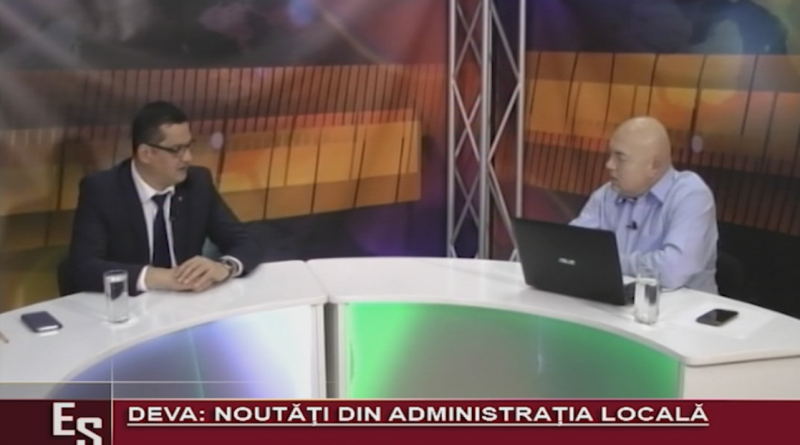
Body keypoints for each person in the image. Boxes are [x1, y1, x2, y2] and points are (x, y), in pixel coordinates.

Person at [65, 101, 260, 295]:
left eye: (189, 146)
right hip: (130, 304)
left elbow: (244, 242)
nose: (188, 158)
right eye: (177, 149)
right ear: (146, 154)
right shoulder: (103, 190)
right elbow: (83, 267)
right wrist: (157, 278)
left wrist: (224, 267)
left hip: (186, 303)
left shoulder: (197, 183)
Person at [570, 116, 718, 294]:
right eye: (610, 155)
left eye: (620, 158)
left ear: (654, 166)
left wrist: (608, 262)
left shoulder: (691, 195)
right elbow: (570, 249)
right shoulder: (606, 195)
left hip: (680, 308)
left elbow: (673, 271)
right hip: (616, 302)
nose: (609, 165)